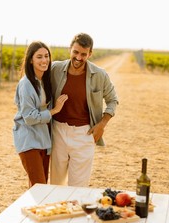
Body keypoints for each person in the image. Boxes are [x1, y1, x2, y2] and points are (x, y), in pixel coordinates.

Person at [50, 33, 119, 187]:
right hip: (58, 132)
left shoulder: (99, 75)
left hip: (84, 134)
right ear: (70, 49)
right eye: (75, 52)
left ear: (90, 53)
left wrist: (102, 124)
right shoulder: (55, 68)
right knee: (56, 184)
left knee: (78, 187)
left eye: (83, 54)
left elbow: (113, 100)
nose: (79, 58)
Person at [13, 41, 68, 187]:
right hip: (29, 140)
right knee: (39, 186)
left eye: (46, 56)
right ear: (30, 60)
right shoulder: (26, 84)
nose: (44, 60)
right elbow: (30, 117)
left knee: (38, 186)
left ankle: (32, 210)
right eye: (39, 57)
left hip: (44, 140)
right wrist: (54, 110)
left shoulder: (45, 81)